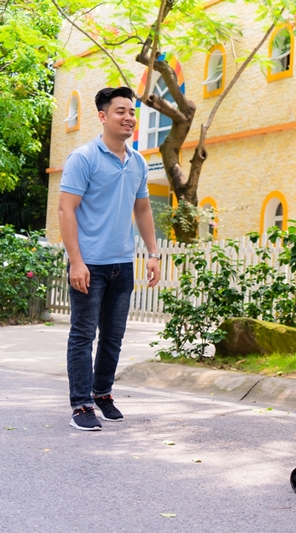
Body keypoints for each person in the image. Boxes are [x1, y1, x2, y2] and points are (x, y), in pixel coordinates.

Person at [58, 87, 161, 431]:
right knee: (83, 334)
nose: (129, 118)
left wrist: (153, 252)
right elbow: (65, 210)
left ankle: (102, 394)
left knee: (113, 336)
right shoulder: (83, 157)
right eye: (120, 111)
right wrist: (76, 260)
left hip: (122, 265)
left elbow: (143, 207)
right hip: (89, 265)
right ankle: (81, 404)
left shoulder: (138, 161)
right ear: (103, 116)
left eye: (132, 112)